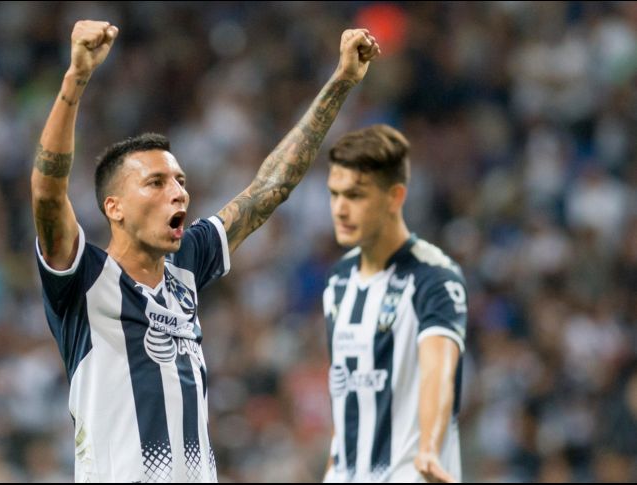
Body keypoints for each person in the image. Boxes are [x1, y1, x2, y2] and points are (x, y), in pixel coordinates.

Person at [31, 20, 379, 482]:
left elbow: (269, 189)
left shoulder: (185, 265)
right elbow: (47, 192)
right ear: (113, 207)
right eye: (156, 182)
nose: (178, 193)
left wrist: (341, 82)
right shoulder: (84, 279)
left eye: (180, 181)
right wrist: (75, 79)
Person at [322, 125, 467, 483]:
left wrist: (430, 448)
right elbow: (345, 394)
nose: (340, 208)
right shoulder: (338, 281)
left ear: (395, 197)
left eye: (355, 195)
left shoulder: (434, 277)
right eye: (334, 194)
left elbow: (439, 371)